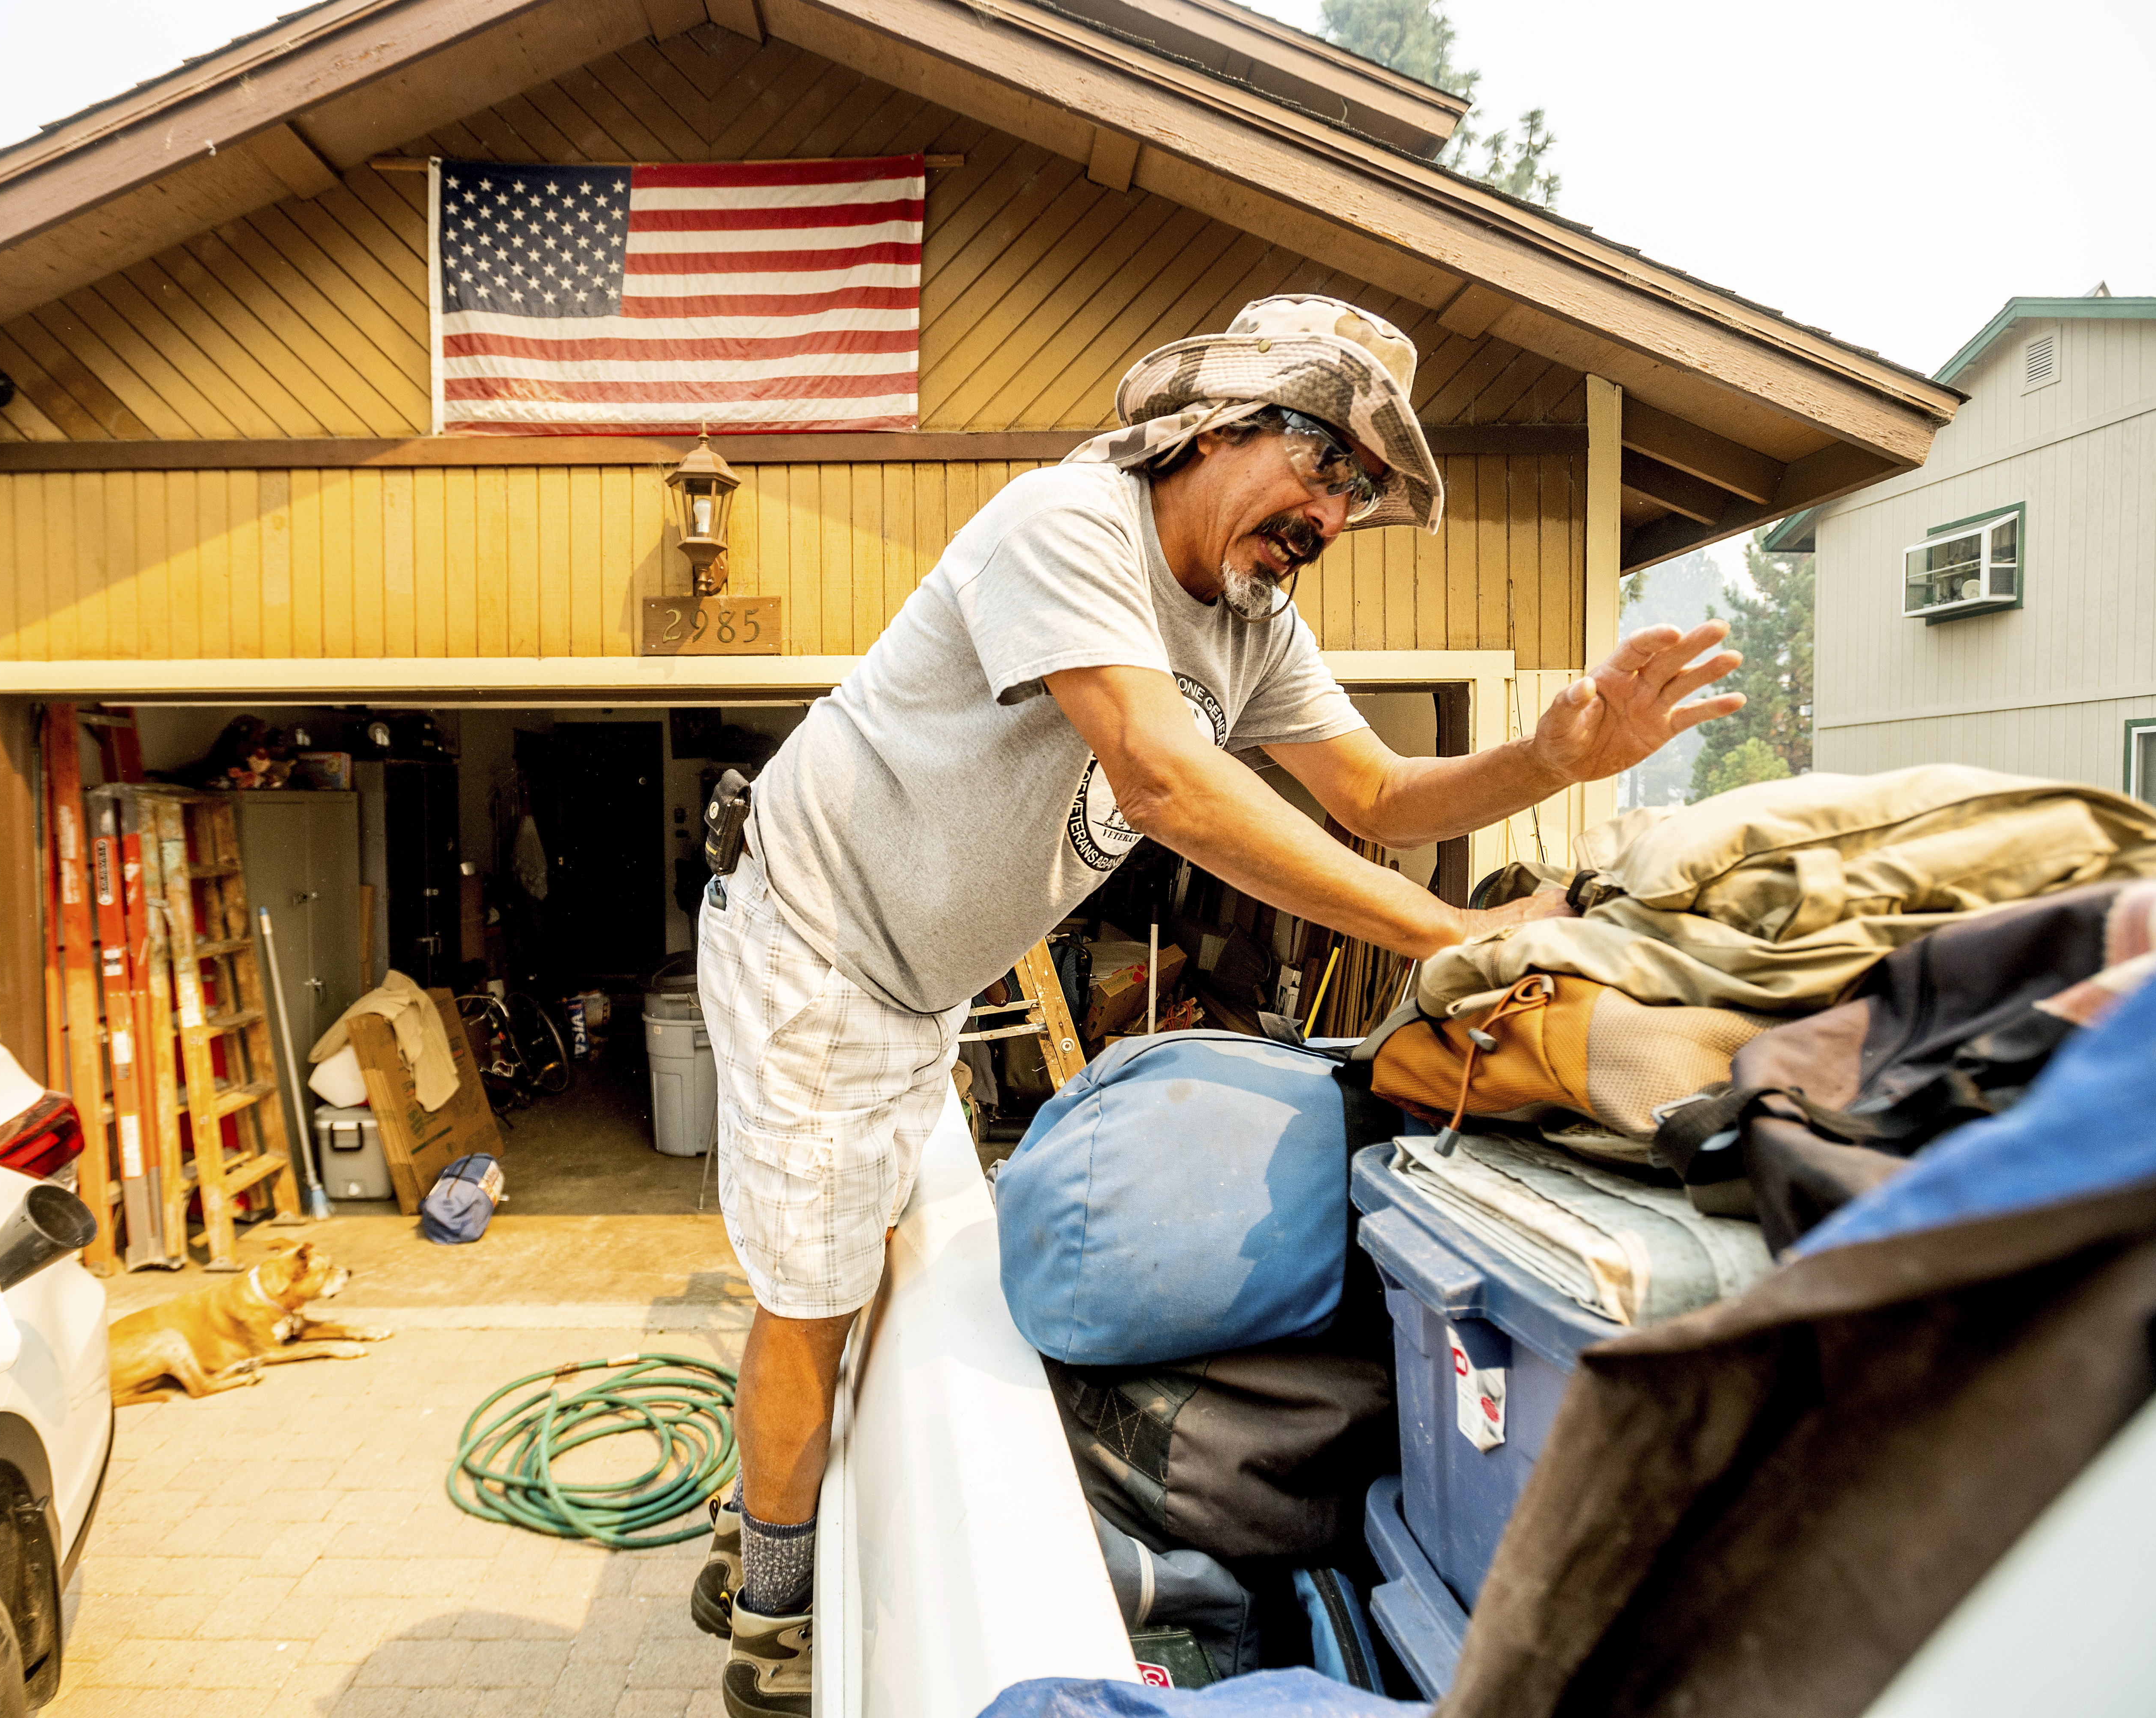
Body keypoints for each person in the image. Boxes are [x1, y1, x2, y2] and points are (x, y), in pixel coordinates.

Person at [686, 295, 1743, 1715]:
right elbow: (1163, 783)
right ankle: (766, 1609)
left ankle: (768, 1497)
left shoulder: (1252, 618)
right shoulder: (1066, 524)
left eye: (1364, 493)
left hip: (914, 977)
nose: (1339, 512)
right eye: (1329, 465)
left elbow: (1376, 795)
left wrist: (1556, 755)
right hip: (814, 945)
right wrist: (1454, 936)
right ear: (1225, 423)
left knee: (862, 1261)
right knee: (812, 1297)